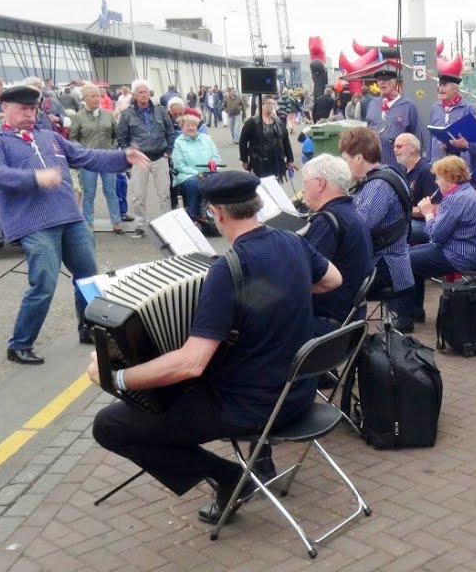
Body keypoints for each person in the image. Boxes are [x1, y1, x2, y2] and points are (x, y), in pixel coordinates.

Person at [90, 172, 341, 522]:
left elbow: (191, 363)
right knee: (174, 391)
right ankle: (233, 470)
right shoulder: (292, 242)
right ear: (256, 204)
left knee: (109, 425)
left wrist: (116, 378)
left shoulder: (228, 270)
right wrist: (281, 295)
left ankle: (230, 478)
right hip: (297, 394)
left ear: (217, 213)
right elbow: (333, 279)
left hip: (251, 408)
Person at [0, 85, 149, 362]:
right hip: (34, 224)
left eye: (33, 108)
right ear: (5, 109)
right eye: (23, 109)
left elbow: (87, 156)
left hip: (71, 217)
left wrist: (122, 156)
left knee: (88, 278)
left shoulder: (49, 136)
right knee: (43, 284)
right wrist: (35, 177)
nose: (30, 114)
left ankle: (89, 328)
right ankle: (19, 344)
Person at [389, 156, 476, 326]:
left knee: (403, 260)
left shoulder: (456, 199)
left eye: (438, 177)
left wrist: (428, 213)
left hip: (460, 254)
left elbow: (435, 235)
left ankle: (404, 319)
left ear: (449, 178)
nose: (436, 182)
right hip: (464, 249)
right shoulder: (465, 192)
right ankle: (414, 312)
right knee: (406, 255)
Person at [340, 126, 415, 325]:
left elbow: (359, 228)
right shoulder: (385, 173)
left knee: (333, 285)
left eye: (346, 160)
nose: (344, 165)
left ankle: (349, 335)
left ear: (359, 158)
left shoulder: (378, 185)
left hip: (388, 265)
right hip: (388, 260)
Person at [299, 155, 374, 327]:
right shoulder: (350, 212)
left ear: (320, 183)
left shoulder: (328, 221)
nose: (303, 189)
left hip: (326, 322)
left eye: (305, 183)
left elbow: (304, 273)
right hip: (349, 317)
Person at [115, 80, 178, 236]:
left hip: (160, 156)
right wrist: (129, 153)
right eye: (140, 92)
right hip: (139, 159)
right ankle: (140, 225)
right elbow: (121, 137)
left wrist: (168, 152)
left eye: (146, 92)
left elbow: (170, 132)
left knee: (164, 194)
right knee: (138, 195)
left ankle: (167, 225)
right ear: (134, 95)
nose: (144, 95)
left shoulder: (161, 111)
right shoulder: (127, 114)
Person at [70, 84, 124, 234]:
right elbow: (73, 138)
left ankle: (116, 222)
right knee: (89, 193)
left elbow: (117, 135)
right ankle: (88, 223)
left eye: (97, 96)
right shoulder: (78, 117)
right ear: (85, 98)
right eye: (92, 96)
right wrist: (83, 151)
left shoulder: (108, 115)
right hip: (88, 160)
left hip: (107, 159)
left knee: (111, 191)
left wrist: (113, 149)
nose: (96, 99)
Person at [172, 115, 223, 222]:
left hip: (208, 172)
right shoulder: (179, 142)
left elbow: (216, 157)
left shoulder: (207, 139)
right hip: (187, 175)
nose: (190, 128)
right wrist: (196, 173)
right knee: (194, 183)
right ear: (182, 128)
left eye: (193, 125)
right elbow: (179, 165)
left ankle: (217, 213)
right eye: (187, 126)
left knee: (222, 181)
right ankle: (193, 215)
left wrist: (214, 165)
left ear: (197, 126)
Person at [364, 68, 420, 167]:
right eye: (379, 80)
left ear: (395, 82)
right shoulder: (372, 104)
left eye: (386, 79)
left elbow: (417, 136)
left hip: (398, 164)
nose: (382, 83)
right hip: (375, 163)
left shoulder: (408, 106)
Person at [391, 133, 437, 245]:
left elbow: (434, 208)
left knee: (393, 229)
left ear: (413, 148)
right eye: (394, 147)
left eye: (399, 146)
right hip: (409, 219)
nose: (395, 150)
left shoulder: (426, 171)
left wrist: (402, 211)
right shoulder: (403, 172)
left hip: (424, 223)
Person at [238, 97, 295, 179]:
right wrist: (245, 160)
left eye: (273, 103)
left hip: (277, 161)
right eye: (269, 103)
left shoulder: (278, 121)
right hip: (259, 163)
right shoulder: (251, 122)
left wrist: (290, 159)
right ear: (261, 105)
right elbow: (243, 142)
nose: (271, 106)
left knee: (276, 184)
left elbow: (285, 141)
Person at [428, 73, 476, 161]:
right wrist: (428, 160)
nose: (441, 89)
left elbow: (474, 140)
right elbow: (431, 137)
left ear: (455, 89)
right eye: (440, 85)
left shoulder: (468, 108)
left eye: (445, 85)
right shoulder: (435, 108)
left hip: (459, 162)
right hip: (437, 162)